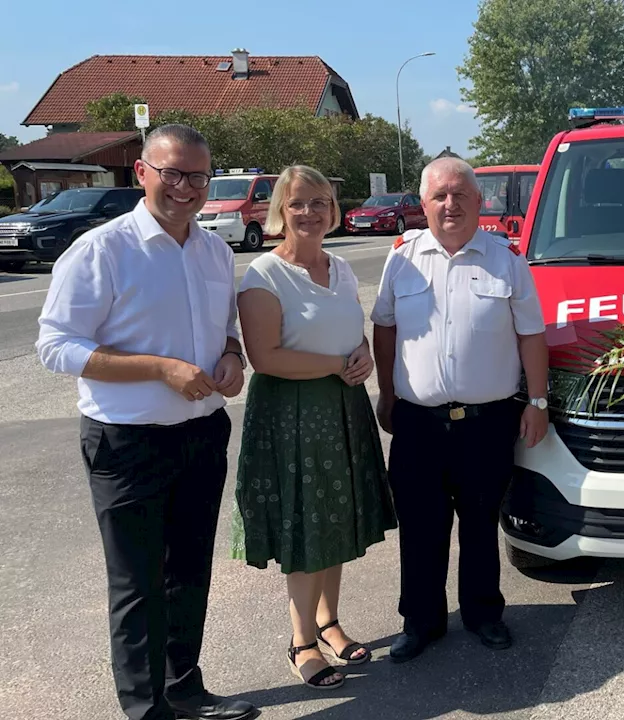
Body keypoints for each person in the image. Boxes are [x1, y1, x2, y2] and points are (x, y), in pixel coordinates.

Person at [35, 124, 256, 720]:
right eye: (173, 173)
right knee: (137, 587)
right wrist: (159, 369)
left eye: (198, 177)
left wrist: (232, 355)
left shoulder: (214, 250)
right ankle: (145, 709)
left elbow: (224, 329)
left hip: (203, 433)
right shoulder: (101, 250)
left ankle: (184, 689)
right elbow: (56, 348)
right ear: (142, 173)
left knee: (189, 574)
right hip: (126, 442)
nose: (186, 188)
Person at [371, 157, 549, 662]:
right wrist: (386, 393)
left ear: (479, 201)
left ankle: (483, 613)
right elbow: (385, 329)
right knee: (421, 527)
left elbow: (531, 334)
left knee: (479, 523)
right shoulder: (401, 258)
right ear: (424, 204)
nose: (450, 205)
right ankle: (420, 621)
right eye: (439, 196)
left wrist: (538, 401)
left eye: (460, 195)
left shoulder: (506, 258)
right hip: (418, 422)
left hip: (487, 422)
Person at [230, 165, 397, 690]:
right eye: (298, 203)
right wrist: (332, 365)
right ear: (281, 209)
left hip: (342, 408)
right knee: (306, 526)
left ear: (333, 209)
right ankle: (301, 640)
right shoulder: (264, 275)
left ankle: (329, 622)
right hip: (293, 412)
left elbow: (352, 332)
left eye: (320, 202)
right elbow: (265, 357)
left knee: (336, 520)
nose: (309, 212)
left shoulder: (341, 269)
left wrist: (364, 356)